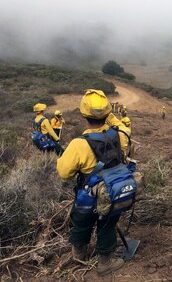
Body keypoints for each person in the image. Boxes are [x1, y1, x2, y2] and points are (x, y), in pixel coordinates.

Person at [56, 89, 131, 276]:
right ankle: (105, 263)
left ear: (83, 114)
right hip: (110, 192)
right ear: (107, 113)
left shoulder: (78, 144)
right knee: (107, 225)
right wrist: (111, 116)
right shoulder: (120, 135)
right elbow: (125, 129)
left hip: (87, 197)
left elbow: (64, 174)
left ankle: (79, 255)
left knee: (81, 223)